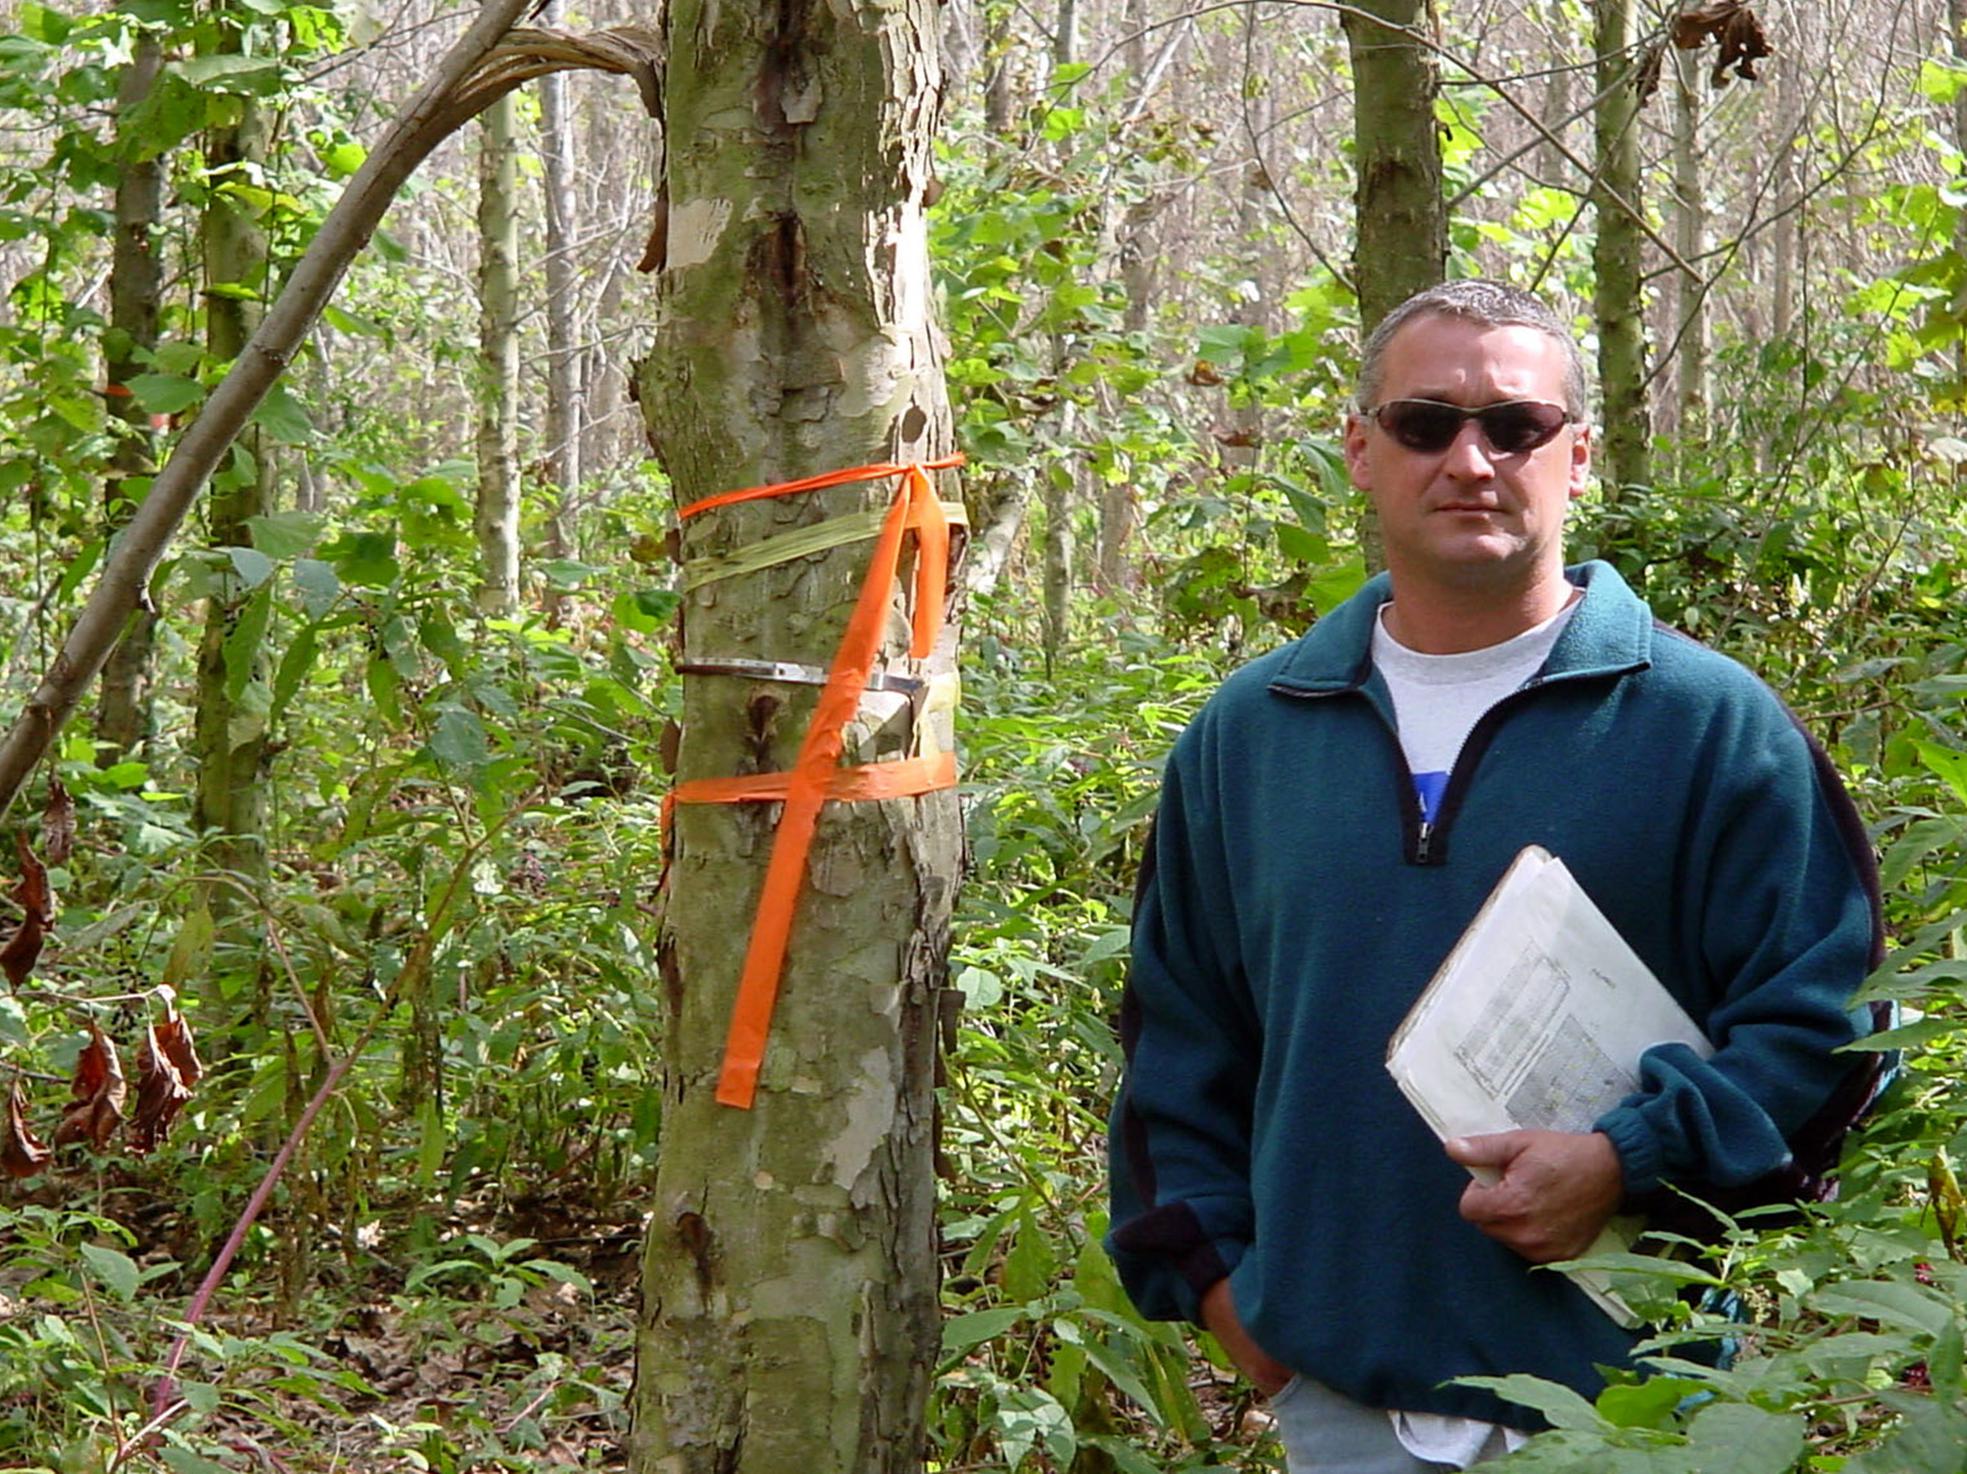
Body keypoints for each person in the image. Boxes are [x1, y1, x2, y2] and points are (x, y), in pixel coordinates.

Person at [1105, 279, 1887, 1472]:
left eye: (1513, 427)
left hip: (1630, 1409)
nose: (1469, 459)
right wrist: (1223, 1289)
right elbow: (1178, 1042)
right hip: (1339, 1399)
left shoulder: (1708, 725)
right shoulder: (1248, 737)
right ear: (1361, 452)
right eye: (1425, 423)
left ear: (1573, 457)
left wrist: (1624, 1157)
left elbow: (1826, 1030)